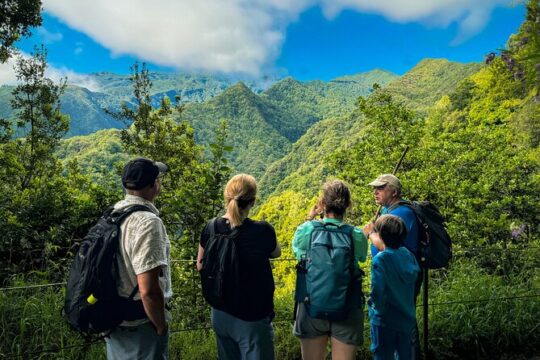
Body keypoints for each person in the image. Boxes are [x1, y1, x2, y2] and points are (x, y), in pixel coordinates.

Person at [197, 174, 281, 360]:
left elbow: (200, 265)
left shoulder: (210, 227)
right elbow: (276, 253)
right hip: (252, 315)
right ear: (253, 201)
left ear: (227, 197)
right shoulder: (262, 230)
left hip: (220, 312)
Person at [292, 180, 368, 360]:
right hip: (347, 308)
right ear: (348, 205)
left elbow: (298, 253)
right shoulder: (356, 235)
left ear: (322, 204)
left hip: (311, 305)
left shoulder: (307, 230)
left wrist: (310, 217)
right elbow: (362, 258)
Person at [105, 157, 172, 360]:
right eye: (158, 179)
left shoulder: (114, 213)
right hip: (140, 323)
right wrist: (160, 326)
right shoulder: (148, 222)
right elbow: (148, 289)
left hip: (114, 316)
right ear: (154, 185)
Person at [368, 214, 420, 360]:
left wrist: (374, 308)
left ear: (380, 235)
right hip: (406, 318)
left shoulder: (381, 259)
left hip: (384, 320)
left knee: (382, 355)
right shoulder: (408, 255)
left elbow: (378, 291)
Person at [363, 174, 419, 259]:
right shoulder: (387, 209)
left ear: (394, 192)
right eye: (375, 188)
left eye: (380, 188)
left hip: (400, 269)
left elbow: (388, 249)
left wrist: (371, 233)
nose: (375, 192)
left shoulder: (401, 213)